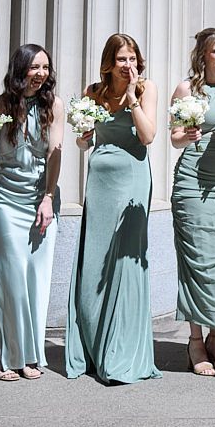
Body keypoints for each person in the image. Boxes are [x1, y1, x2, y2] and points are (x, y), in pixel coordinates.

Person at [65, 33, 161, 384]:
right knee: (95, 262)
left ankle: (121, 351)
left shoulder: (146, 88)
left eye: (132, 58)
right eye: (121, 59)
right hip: (100, 184)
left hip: (133, 182)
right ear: (109, 62)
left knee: (124, 263)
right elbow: (82, 140)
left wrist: (133, 98)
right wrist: (84, 131)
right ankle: (92, 346)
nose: (128, 65)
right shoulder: (94, 92)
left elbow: (148, 137)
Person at [0, 44, 63, 380]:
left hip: (40, 197)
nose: (40, 74)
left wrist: (47, 197)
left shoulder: (53, 105)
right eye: (34, 68)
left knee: (35, 278)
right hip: (4, 199)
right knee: (11, 273)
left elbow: (56, 154)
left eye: (45, 68)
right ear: (20, 70)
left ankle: (28, 355)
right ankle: (3, 354)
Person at [170, 27, 215, 376]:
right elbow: (173, 138)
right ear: (203, 55)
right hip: (193, 184)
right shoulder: (188, 89)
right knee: (197, 261)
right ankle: (195, 340)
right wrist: (187, 134)